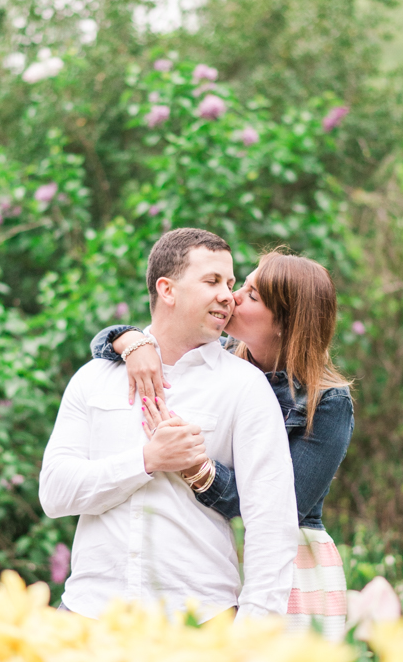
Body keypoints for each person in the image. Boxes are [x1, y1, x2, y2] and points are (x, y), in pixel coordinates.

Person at [39, 229, 299, 623]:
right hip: (88, 616)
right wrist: (147, 460)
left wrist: (253, 634)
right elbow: (55, 493)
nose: (228, 296)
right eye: (212, 281)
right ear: (167, 289)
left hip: (199, 620)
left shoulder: (246, 387)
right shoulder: (94, 379)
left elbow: (272, 522)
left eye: (230, 284)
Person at [91, 251, 354, 638]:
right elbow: (102, 344)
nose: (232, 297)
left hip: (290, 566)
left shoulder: (326, 403)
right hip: (212, 555)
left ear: (285, 321)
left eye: (251, 295)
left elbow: (278, 509)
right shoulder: (220, 365)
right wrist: (131, 342)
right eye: (238, 286)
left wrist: (197, 468)